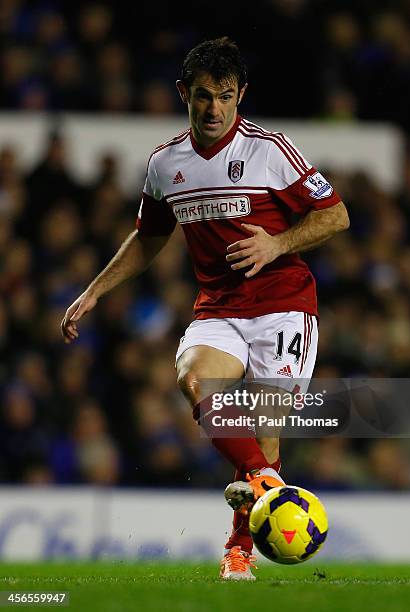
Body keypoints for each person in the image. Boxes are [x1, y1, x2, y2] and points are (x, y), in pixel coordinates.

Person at [61, 37, 349, 580]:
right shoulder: (165, 164)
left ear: (241, 95)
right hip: (219, 306)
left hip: (284, 304)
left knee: (262, 427)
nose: (213, 108)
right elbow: (149, 237)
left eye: (224, 96)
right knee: (195, 381)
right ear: (183, 95)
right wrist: (95, 290)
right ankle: (270, 486)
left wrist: (277, 243)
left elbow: (336, 216)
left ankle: (239, 549)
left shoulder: (272, 150)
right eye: (201, 96)